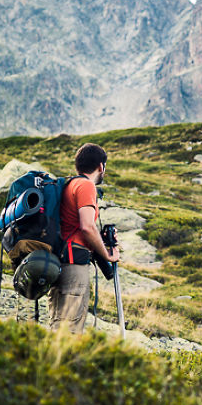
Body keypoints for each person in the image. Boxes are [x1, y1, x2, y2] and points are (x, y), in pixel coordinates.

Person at [48, 143, 119, 333]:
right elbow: (87, 227)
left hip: (60, 261)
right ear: (101, 167)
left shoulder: (69, 184)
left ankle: (51, 361)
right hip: (74, 262)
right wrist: (108, 255)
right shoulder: (86, 185)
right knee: (70, 329)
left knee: (58, 324)